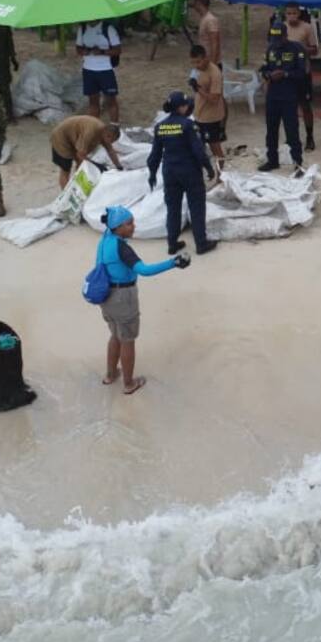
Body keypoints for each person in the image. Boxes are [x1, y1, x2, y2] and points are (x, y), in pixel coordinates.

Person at [95, 205, 189, 395]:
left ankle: (111, 375)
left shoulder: (104, 241)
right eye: (129, 223)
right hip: (123, 298)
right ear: (117, 227)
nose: (133, 226)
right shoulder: (123, 248)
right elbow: (144, 270)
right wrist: (173, 263)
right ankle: (129, 383)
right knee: (128, 340)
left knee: (115, 336)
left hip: (106, 296)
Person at [148, 90, 218, 256]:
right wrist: (208, 167)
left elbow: (154, 155)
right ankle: (201, 243)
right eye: (186, 104)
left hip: (169, 172)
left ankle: (172, 244)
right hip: (189, 171)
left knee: (173, 208)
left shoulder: (160, 127)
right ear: (182, 107)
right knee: (196, 206)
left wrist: (152, 174)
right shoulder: (188, 125)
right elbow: (198, 150)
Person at [259, 22, 306, 174]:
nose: (277, 43)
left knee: (292, 131)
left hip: (289, 96)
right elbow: (263, 69)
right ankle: (272, 160)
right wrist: (268, 75)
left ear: (286, 36)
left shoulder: (297, 49)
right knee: (271, 131)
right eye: (274, 39)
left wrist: (285, 74)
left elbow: (302, 73)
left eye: (279, 39)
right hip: (273, 96)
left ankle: (298, 163)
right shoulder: (270, 49)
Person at [49, 115, 122, 189]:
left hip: (74, 138)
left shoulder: (104, 132)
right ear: (107, 135)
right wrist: (95, 165)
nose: (111, 143)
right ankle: (65, 194)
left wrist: (119, 166)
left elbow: (110, 150)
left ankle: (77, 185)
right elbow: (80, 154)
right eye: (111, 141)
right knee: (66, 169)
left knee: (81, 163)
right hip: (61, 138)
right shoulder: (90, 132)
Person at [283, 2, 318, 150]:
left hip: (303, 72)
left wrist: (300, 49)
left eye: (294, 13)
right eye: (289, 13)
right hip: (286, 74)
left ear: (299, 13)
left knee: (305, 106)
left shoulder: (307, 27)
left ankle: (310, 137)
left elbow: (315, 50)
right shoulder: (281, 28)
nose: (292, 16)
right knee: (288, 107)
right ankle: (291, 137)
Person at [188, 43, 226, 169]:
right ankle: (205, 172)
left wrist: (198, 89)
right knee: (198, 146)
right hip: (199, 115)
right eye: (193, 62)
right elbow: (195, 85)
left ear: (206, 58)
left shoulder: (215, 73)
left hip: (212, 118)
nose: (196, 66)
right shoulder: (196, 70)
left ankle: (220, 176)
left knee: (215, 148)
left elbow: (215, 98)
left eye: (198, 62)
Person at [76, 19, 121, 124]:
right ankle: (94, 126)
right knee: (93, 101)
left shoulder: (108, 28)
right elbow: (78, 49)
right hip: (88, 70)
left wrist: (102, 51)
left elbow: (118, 50)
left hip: (106, 69)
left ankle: (114, 126)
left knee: (111, 100)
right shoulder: (82, 28)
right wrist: (85, 51)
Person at [191, 0, 222, 68]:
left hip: (210, 63)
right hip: (204, 62)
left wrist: (213, 65)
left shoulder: (210, 20)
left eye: (195, 3)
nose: (194, 5)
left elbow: (215, 43)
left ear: (198, 3)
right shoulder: (204, 19)